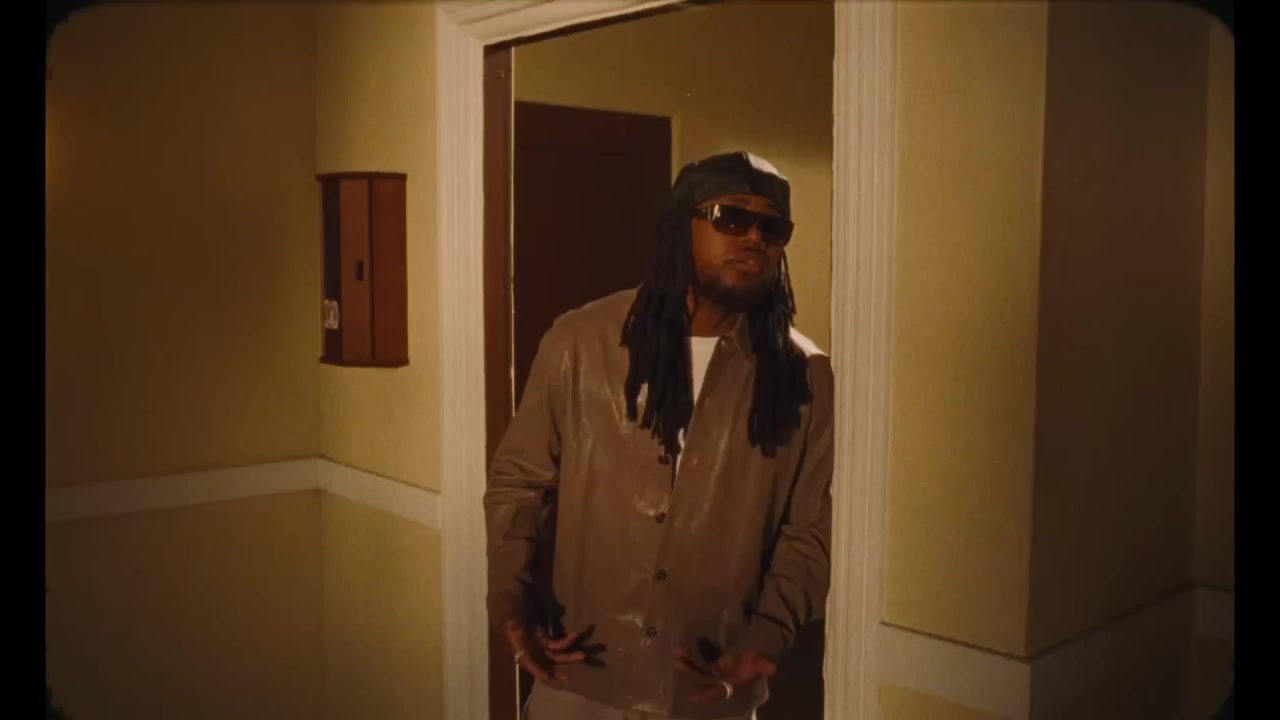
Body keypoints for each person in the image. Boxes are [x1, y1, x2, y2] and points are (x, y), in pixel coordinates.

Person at [485, 151, 834, 720]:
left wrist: (764, 638)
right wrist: (510, 601)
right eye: (730, 217)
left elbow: (809, 532)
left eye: (773, 228)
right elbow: (519, 484)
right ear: (680, 226)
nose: (754, 238)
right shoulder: (579, 343)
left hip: (705, 689)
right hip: (580, 679)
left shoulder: (805, 377)